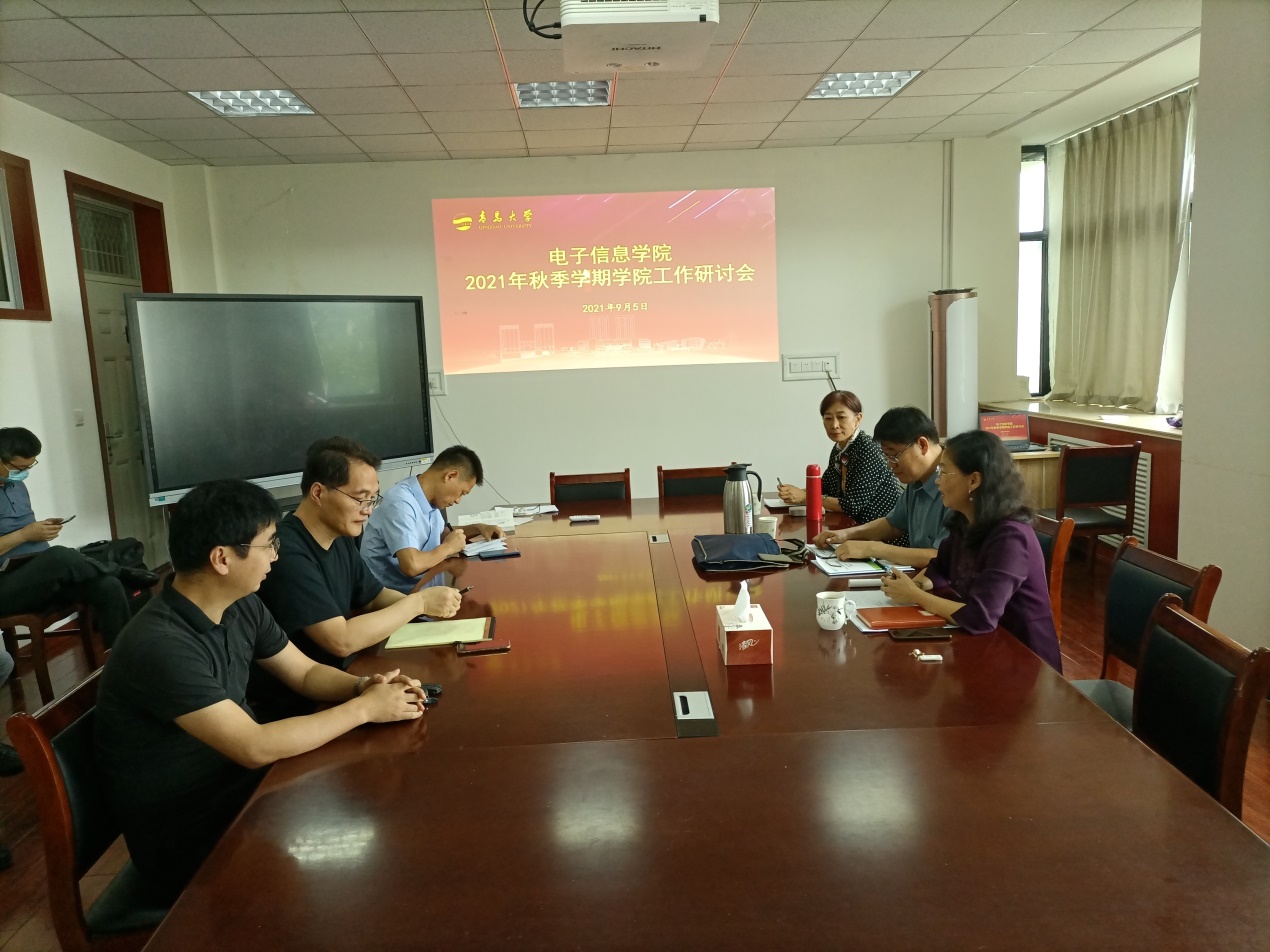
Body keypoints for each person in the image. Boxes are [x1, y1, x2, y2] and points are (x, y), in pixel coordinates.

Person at [94, 479, 428, 902]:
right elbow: (253, 746)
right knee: (372, 855)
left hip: (241, 791)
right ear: (222, 559)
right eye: (268, 544)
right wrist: (364, 710)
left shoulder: (240, 602)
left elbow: (305, 673)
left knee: (383, 806)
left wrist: (365, 687)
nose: (275, 555)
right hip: (191, 835)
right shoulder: (160, 645)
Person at [256, 437, 462, 678]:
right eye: (360, 498)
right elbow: (340, 640)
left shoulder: (339, 535)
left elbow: (375, 597)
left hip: (348, 669)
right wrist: (419, 604)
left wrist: (428, 610)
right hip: (309, 687)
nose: (368, 510)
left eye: (373, 498)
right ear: (318, 493)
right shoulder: (285, 550)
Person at [879, 429, 1062, 673]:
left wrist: (915, 595)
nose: (937, 480)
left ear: (973, 480)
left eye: (944, 472)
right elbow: (939, 568)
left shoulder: (1010, 537)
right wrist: (912, 585)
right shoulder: (966, 519)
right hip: (986, 647)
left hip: (1025, 662)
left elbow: (980, 617)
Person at [0, 427, 151, 650]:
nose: (23, 473)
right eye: (19, 468)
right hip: (6, 588)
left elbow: (22, 528)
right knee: (60, 555)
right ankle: (119, 571)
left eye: (29, 467)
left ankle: (122, 659)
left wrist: (41, 529)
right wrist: (25, 534)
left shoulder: (17, 487)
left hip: (40, 576)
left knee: (107, 586)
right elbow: (23, 534)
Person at [812, 406, 947, 568]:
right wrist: (845, 534)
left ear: (922, 445)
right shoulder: (917, 479)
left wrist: (874, 548)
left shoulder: (956, 482)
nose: (890, 465)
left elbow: (944, 557)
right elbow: (893, 524)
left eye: (894, 456)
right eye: (886, 457)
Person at [361, 445, 504, 594]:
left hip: (424, 586)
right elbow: (411, 566)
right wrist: (448, 548)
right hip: (394, 598)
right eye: (462, 492)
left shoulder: (429, 498)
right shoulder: (399, 503)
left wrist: (479, 528)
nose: (458, 501)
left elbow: (441, 535)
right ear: (450, 476)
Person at [776, 390, 901, 527]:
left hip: (882, 530)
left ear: (858, 419)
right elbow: (826, 486)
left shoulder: (868, 449)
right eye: (828, 418)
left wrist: (806, 497)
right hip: (852, 526)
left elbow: (851, 505)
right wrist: (795, 492)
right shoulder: (839, 448)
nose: (834, 425)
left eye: (841, 417)